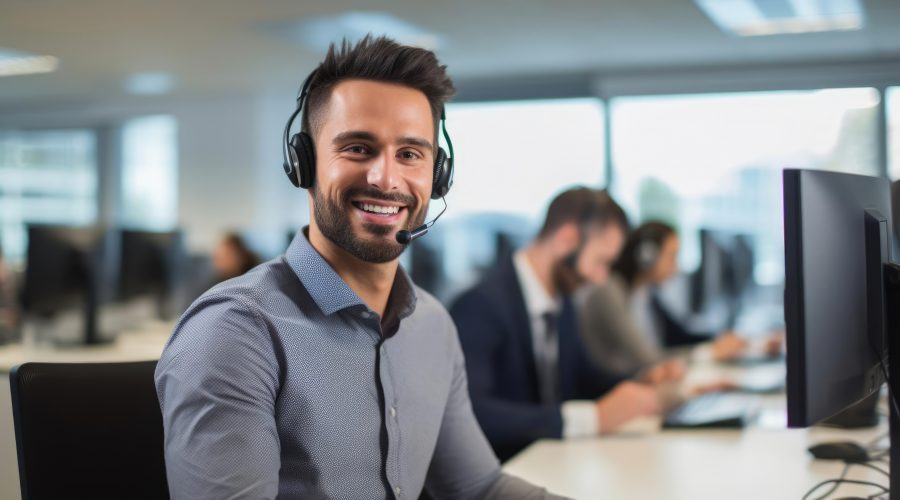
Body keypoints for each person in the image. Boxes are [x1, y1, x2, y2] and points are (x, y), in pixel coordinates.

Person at [155, 36, 561, 499]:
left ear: (438, 174)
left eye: (410, 154)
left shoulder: (431, 326)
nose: (386, 178)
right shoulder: (235, 332)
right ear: (303, 163)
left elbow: (480, 489)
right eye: (357, 148)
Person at [450, 188, 680, 462]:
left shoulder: (562, 301)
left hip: (552, 465)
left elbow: (585, 376)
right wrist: (593, 419)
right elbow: (473, 413)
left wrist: (640, 381)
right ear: (566, 240)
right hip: (500, 474)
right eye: (601, 262)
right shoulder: (482, 305)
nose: (600, 278)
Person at [576, 221, 756, 377]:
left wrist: (723, 341)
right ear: (646, 257)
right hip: (618, 391)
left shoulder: (646, 294)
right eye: (672, 256)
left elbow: (681, 336)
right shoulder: (611, 293)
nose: (676, 268)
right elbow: (648, 360)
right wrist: (709, 353)